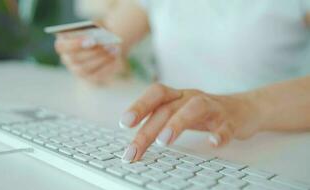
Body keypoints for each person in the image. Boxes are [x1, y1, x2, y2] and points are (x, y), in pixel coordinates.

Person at [55, 0, 310, 162]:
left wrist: (245, 107)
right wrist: (87, 55)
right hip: (176, 151)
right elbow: (108, 39)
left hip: (277, 153)